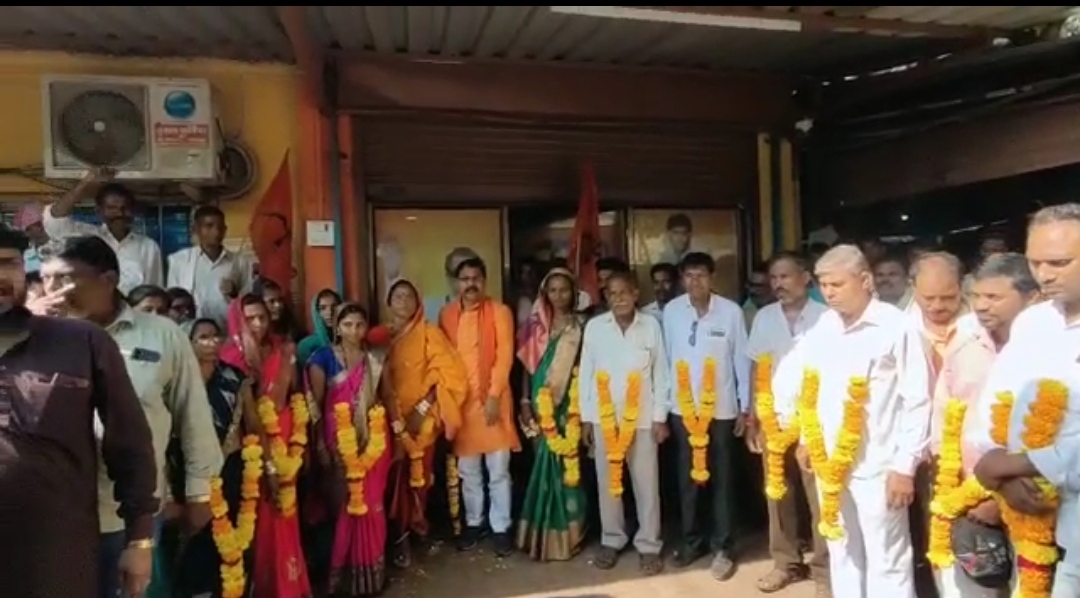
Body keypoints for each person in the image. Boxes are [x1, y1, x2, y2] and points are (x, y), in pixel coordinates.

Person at [38, 235, 223, 598]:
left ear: (108, 280)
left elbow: (193, 415)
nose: (53, 291)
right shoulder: (34, 336)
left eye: (65, 279)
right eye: (46, 279)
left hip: (127, 514)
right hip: (50, 510)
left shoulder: (161, 335)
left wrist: (200, 492)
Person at [0, 227, 158, 598]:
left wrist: (139, 540)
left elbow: (130, 445)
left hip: (56, 556)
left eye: (8, 263)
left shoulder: (82, 342)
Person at [784, 244, 930, 598]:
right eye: (824, 285)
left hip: (880, 465)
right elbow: (807, 383)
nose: (829, 293)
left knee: (887, 559)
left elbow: (918, 399)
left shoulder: (897, 326)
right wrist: (806, 437)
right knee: (842, 550)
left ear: (865, 280)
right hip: (830, 463)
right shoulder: (824, 325)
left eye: (837, 284)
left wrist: (905, 466)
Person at [969, 204, 1080, 598]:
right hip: (1032, 518)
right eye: (1035, 262)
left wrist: (1016, 464)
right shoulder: (1034, 323)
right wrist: (1004, 477)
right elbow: (997, 403)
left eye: (1059, 262)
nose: (1044, 275)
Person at [928, 254, 1038, 598]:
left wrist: (998, 497)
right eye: (976, 296)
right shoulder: (964, 337)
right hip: (963, 485)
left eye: (993, 297)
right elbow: (944, 407)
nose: (981, 305)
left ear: (1031, 297)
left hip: (1031, 492)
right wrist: (950, 480)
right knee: (965, 586)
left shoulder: (1049, 346)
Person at [745, 251, 829, 596]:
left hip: (817, 422)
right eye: (774, 278)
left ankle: (825, 571)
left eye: (785, 276)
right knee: (778, 495)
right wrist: (753, 417)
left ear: (806, 278)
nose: (778, 284)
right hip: (774, 418)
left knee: (821, 498)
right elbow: (756, 368)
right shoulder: (765, 318)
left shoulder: (827, 317)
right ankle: (786, 564)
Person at [662, 252, 750, 579]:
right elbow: (666, 361)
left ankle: (723, 546)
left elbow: (742, 361)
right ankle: (692, 541)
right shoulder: (672, 311)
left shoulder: (730, 312)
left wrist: (745, 407)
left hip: (722, 410)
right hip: (683, 410)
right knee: (688, 480)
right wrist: (664, 409)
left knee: (723, 480)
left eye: (701, 275)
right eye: (689, 275)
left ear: (712, 278)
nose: (695, 282)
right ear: (682, 279)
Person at [220, 294, 312, 598]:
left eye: (263, 317)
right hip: (250, 448)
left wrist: (300, 442)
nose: (258, 324)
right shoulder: (229, 358)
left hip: (285, 438)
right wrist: (266, 461)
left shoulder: (282, 350)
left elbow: (296, 393)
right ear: (238, 320)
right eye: (250, 318)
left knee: (285, 511)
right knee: (257, 517)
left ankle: (290, 585)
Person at [579, 271, 669, 575]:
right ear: (606, 298)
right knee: (608, 483)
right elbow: (586, 376)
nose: (618, 299)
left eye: (624, 293)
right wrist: (587, 419)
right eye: (612, 294)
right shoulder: (595, 328)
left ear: (635, 294)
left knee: (647, 485)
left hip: (642, 419)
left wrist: (660, 418)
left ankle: (649, 544)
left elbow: (661, 374)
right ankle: (612, 538)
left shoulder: (650, 326)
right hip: (605, 420)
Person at [170, 318, 261, 597]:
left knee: (230, 534)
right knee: (195, 535)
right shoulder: (175, 379)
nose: (211, 343)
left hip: (230, 467)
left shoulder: (234, 377)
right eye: (203, 337)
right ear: (188, 342)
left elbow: (252, 423)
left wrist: (266, 466)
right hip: (188, 468)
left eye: (215, 336)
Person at [438, 257, 520, 555]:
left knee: (498, 470)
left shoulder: (500, 312)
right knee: (468, 470)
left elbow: (505, 356)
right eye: (465, 279)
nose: (470, 284)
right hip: (461, 405)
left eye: (476, 278)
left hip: (493, 400)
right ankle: (474, 523)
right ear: (456, 283)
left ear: (484, 282)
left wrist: (495, 396)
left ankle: (501, 527)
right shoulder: (447, 314)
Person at [308, 303, 392, 596]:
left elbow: (385, 397)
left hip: (373, 441)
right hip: (337, 440)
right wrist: (320, 444)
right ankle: (341, 580)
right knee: (343, 506)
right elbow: (316, 407)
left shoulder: (375, 359)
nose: (354, 331)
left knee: (372, 506)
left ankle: (370, 578)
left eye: (359, 325)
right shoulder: (322, 358)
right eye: (347, 325)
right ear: (337, 327)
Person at [384, 279, 468, 567]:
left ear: (418, 302)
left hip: (421, 421)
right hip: (387, 418)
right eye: (398, 297)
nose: (403, 302)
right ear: (388, 302)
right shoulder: (380, 336)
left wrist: (421, 409)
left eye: (409, 296)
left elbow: (448, 375)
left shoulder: (429, 333)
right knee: (393, 478)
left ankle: (414, 528)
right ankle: (398, 535)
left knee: (418, 478)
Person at [906, 252, 970, 598]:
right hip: (921, 447)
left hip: (975, 449)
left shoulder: (981, 325)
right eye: (928, 298)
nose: (938, 306)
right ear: (912, 288)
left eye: (948, 297)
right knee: (928, 526)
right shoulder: (900, 329)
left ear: (963, 287)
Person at [516, 267, 588, 561]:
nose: (558, 296)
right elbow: (527, 368)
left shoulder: (582, 326)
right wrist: (524, 401)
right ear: (545, 293)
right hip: (539, 402)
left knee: (569, 468)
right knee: (541, 466)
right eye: (553, 290)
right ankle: (539, 537)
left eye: (564, 290)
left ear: (573, 293)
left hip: (569, 405)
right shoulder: (536, 326)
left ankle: (571, 537)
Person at [42, 168, 163, 293]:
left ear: (133, 211)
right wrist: (84, 185)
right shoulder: (86, 238)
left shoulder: (148, 247)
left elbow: (155, 291)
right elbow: (55, 222)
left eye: (125, 208)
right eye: (112, 208)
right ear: (99, 211)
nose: (119, 213)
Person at [166, 205, 253, 327]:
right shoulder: (179, 261)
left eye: (220, 227)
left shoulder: (240, 262)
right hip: (190, 330)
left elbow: (249, 302)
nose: (216, 232)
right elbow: (173, 301)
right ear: (196, 229)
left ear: (225, 230)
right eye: (209, 226)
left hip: (228, 330)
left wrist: (235, 293)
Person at [297, 288, 342, 366]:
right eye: (323, 308)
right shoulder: (306, 345)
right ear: (316, 311)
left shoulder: (348, 341)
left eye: (334, 307)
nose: (329, 312)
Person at [13, 202, 51, 273]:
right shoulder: (27, 253)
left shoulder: (60, 248)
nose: (26, 234)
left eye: (28, 229)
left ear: (40, 225)